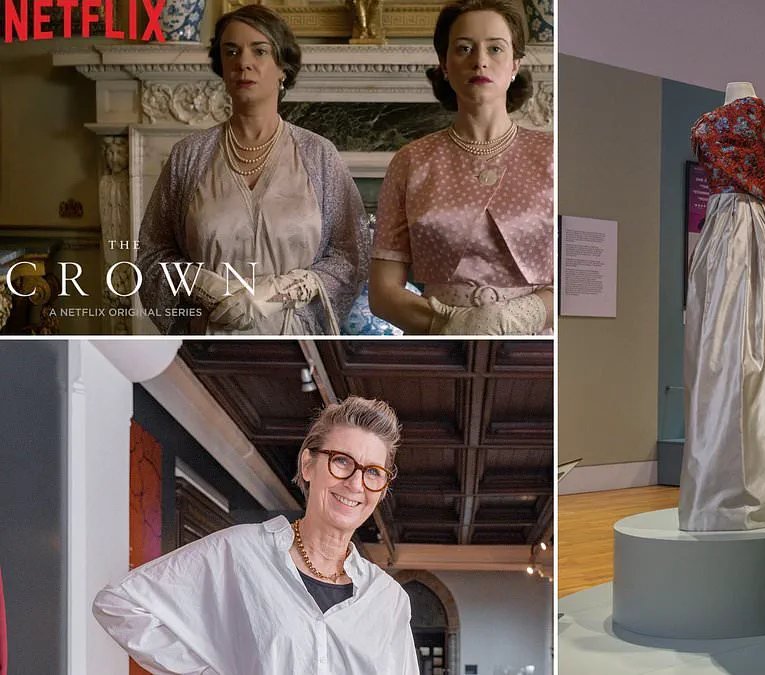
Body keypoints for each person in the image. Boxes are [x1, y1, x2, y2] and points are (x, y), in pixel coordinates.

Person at [93, 397, 419, 674]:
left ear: (383, 488)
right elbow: (120, 604)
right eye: (342, 462)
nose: (356, 483)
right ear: (308, 465)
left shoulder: (388, 600)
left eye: (373, 472)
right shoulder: (240, 552)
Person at [136, 5, 369, 335]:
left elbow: (351, 256)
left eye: (259, 51)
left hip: (292, 340)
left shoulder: (319, 155)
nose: (243, 62)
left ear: (282, 68)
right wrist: (200, 283)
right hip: (209, 340)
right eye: (231, 51)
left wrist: (283, 291)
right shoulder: (189, 156)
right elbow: (151, 256)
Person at [368, 0, 553, 335]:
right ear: (444, 64)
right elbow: (383, 295)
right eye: (464, 48)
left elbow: (578, 280)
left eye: (495, 48)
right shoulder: (411, 161)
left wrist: (514, 318)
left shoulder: (554, 155)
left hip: (532, 348)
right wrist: (452, 322)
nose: (479, 61)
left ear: (515, 65)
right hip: (438, 341)